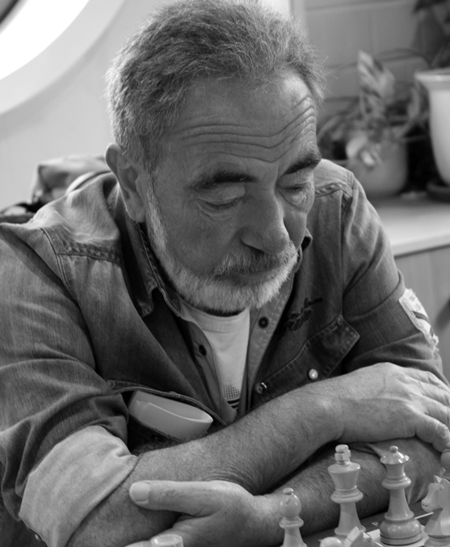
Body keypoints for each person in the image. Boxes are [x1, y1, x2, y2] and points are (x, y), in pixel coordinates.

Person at [0, 1, 449, 546]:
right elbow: (92, 520)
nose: (277, 237)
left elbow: (428, 428)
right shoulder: (33, 271)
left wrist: (271, 516)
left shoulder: (337, 208)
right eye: (225, 195)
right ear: (135, 184)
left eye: (294, 184)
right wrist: (324, 410)